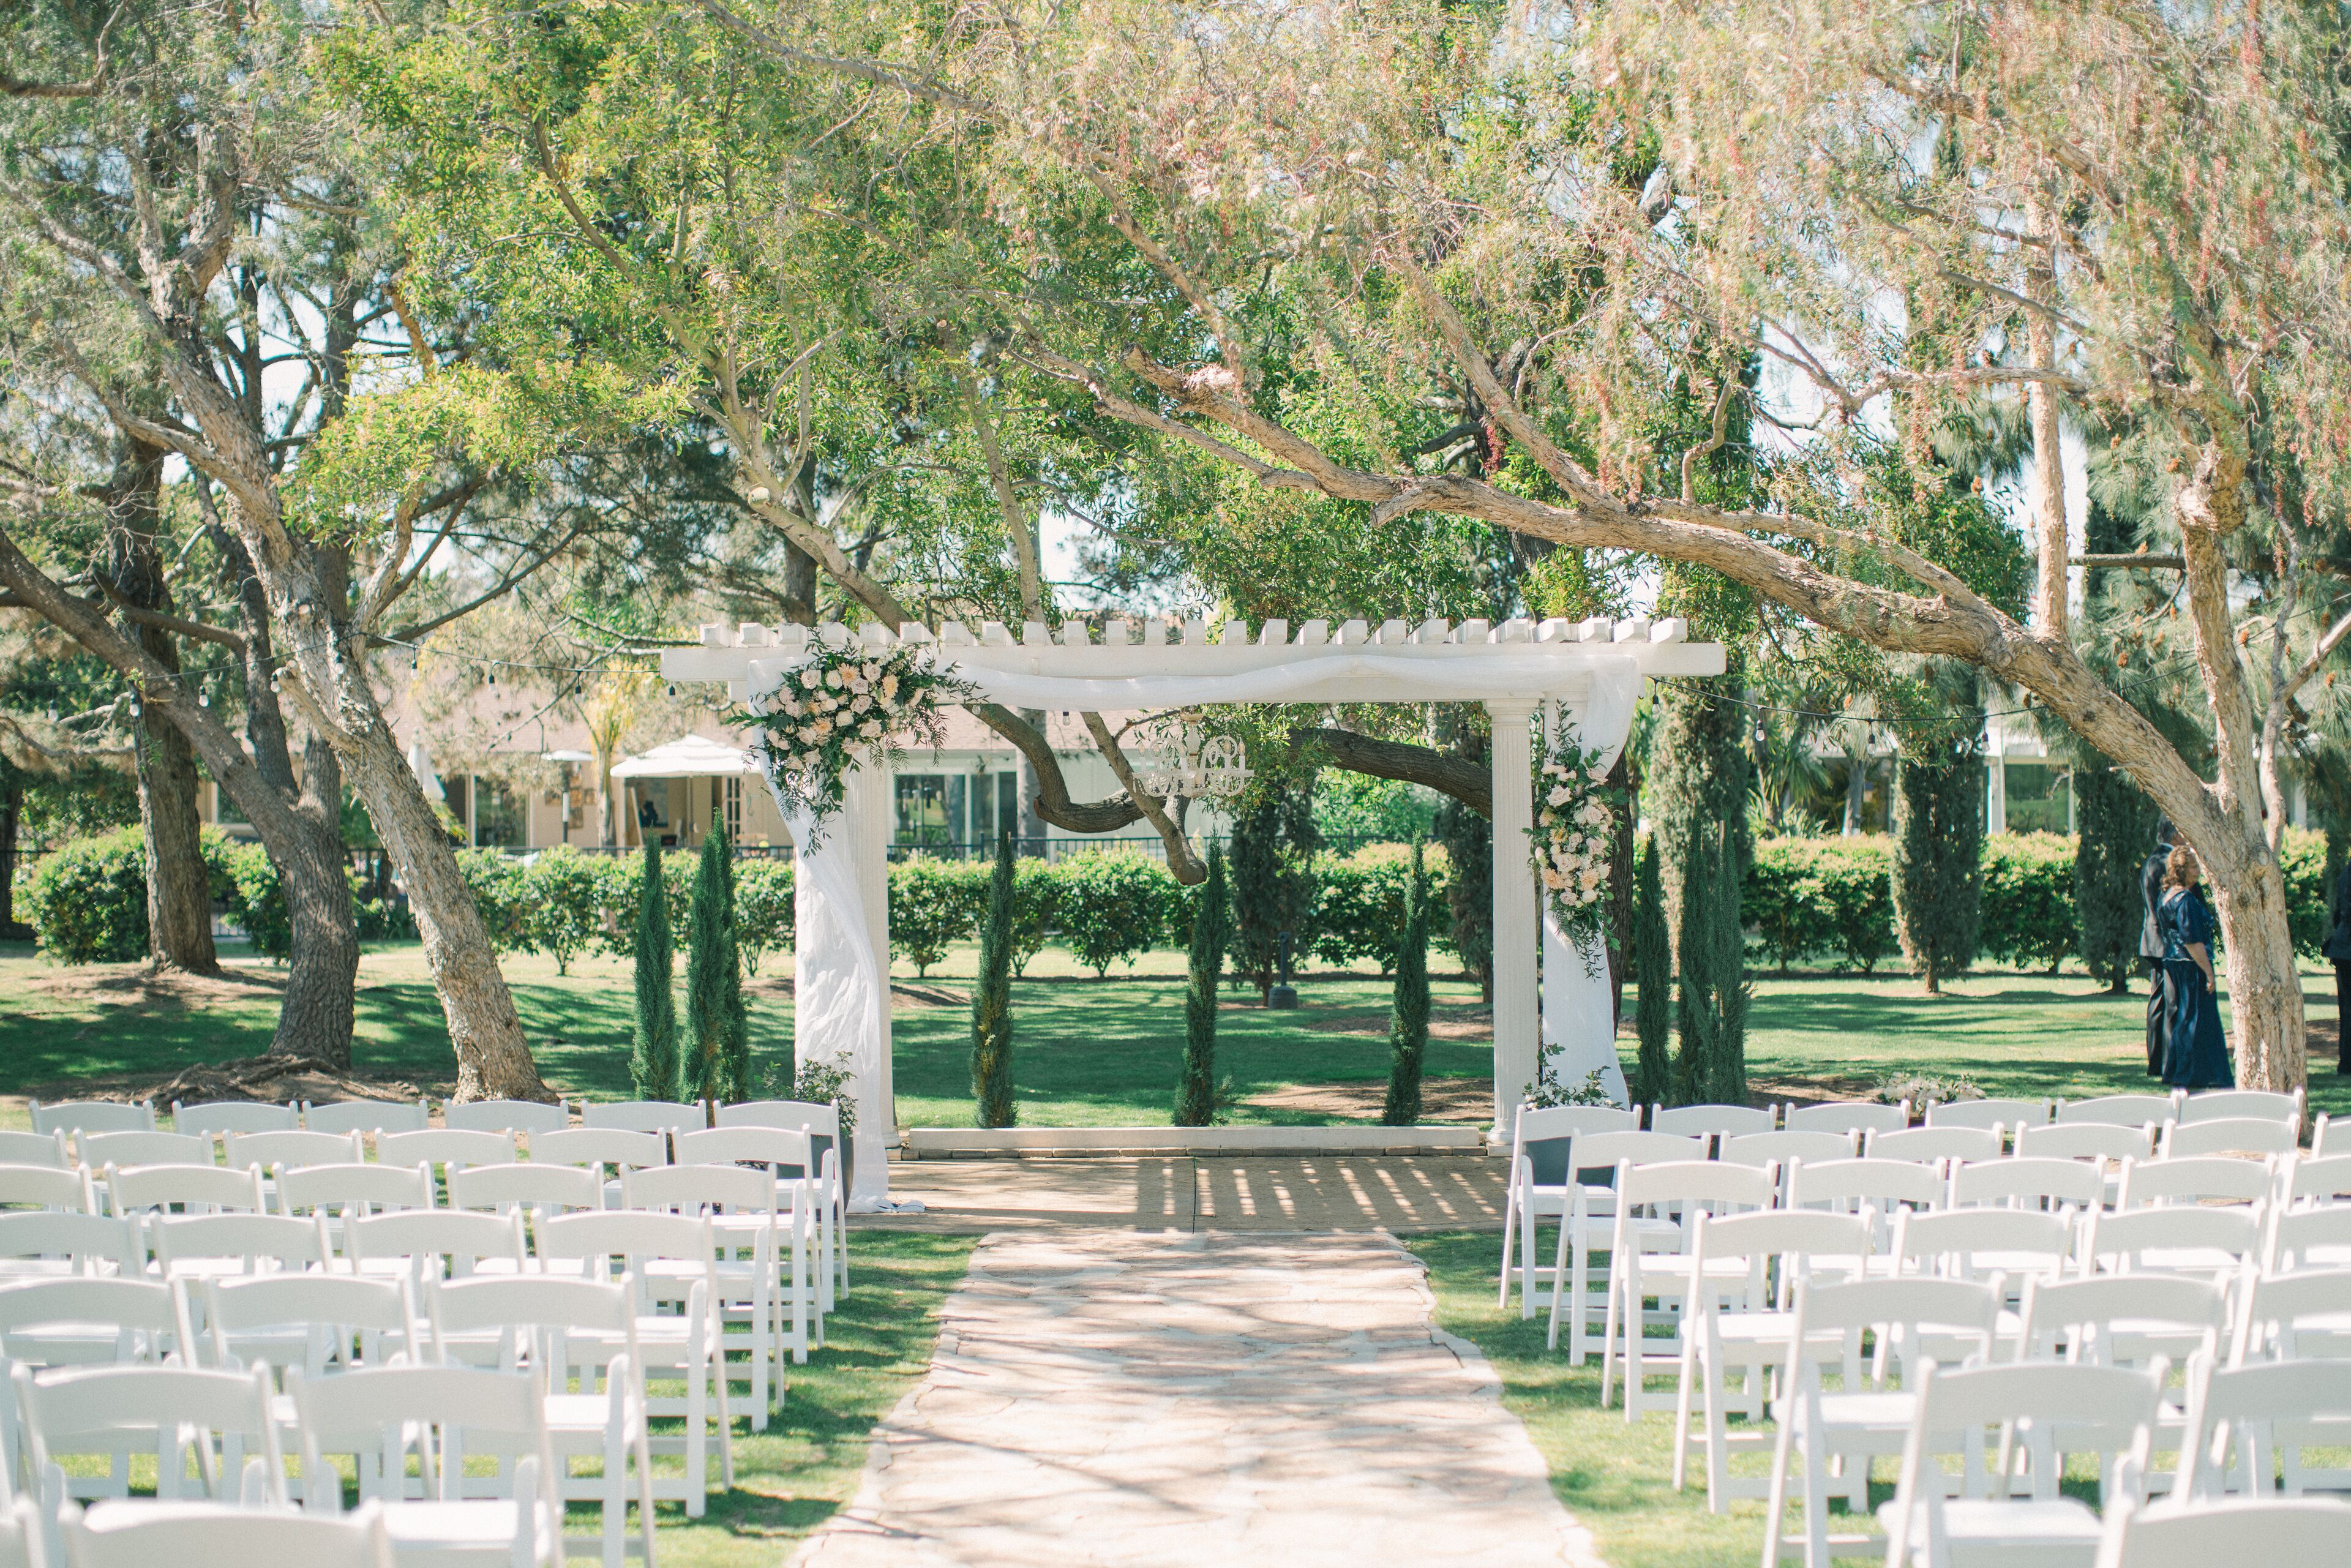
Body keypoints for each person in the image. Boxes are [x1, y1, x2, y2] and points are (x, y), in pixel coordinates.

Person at [2156, 846, 2232, 1090]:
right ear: (2181, 870)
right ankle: (2197, 1073)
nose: (2198, 872)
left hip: (2172, 962)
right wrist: (2209, 971)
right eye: (2193, 867)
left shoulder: (2166, 895)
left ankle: (2180, 1070)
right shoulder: (2185, 900)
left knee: (2184, 1016)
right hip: (2190, 964)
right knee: (2199, 1018)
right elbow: (2192, 941)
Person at [2139, 818, 2176, 1077]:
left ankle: (2158, 1059)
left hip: (2153, 939)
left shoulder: (2153, 859)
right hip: (2163, 941)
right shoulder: (2164, 862)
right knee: (2164, 1000)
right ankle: (2161, 1059)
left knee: (2159, 999)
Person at [2325, 855, 2351, 1075]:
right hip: (2346, 947)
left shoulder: (2345, 873)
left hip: (2343, 946)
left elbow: (2338, 912)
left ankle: (2346, 1062)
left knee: (2347, 1007)